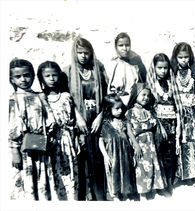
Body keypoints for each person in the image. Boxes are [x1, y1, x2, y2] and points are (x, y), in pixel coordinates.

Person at [63, 37, 107, 200]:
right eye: (79, 53)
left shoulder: (98, 68)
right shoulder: (68, 71)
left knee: (98, 158)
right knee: (81, 159)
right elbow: (67, 98)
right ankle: (84, 196)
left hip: (96, 118)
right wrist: (78, 117)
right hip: (79, 120)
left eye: (86, 53)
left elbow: (106, 95)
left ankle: (100, 195)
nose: (83, 56)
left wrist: (100, 116)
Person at [8, 59, 56, 200]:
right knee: (28, 182)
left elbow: (50, 119)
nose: (23, 79)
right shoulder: (14, 99)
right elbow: (13, 126)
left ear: (33, 76)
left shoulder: (39, 96)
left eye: (27, 75)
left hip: (41, 145)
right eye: (18, 76)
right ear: (12, 79)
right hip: (24, 149)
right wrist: (14, 150)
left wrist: (49, 137)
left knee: (43, 181)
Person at [37, 61, 79, 200]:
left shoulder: (66, 96)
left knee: (70, 173)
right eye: (47, 76)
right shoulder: (41, 98)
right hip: (51, 142)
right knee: (54, 173)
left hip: (67, 140)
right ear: (41, 78)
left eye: (54, 75)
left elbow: (72, 120)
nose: (51, 79)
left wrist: (76, 139)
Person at [170, 42, 195, 185]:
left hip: (193, 113)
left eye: (186, 57)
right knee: (181, 142)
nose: (184, 60)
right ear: (176, 57)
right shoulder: (173, 73)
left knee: (194, 142)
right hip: (179, 113)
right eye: (180, 57)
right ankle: (184, 176)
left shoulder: (194, 73)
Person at [146, 53, 181, 195]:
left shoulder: (172, 82)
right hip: (158, 124)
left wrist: (178, 124)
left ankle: (169, 183)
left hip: (172, 123)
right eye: (159, 68)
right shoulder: (151, 84)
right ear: (154, 68)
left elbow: (177, 104)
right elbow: (150, 107)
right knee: (159, 154)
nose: (163, 71)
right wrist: (159, 126)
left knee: (171, 154)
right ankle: (160, 185)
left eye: (165, 68)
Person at [125, 83, 166, 200]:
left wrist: (161, 129)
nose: (146, 98)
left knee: (153, 165)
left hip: (151, 143)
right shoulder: (130, 112)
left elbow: (155, 123)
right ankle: (143, 193)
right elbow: (129, 131)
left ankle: (154, 189)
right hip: (140, 143)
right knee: (141, 168)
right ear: (135, 95)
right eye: (143, 95)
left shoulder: (148, 111)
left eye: (148, 96)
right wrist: (136, 145)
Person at [98, 93, 137, 201]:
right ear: (108, 109)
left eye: (121, 108)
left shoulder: (124, 121)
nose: (120, 111)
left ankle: (125, 193)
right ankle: (115, 195)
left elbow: (129, 137)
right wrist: (105, 156)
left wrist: (133, 152)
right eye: (117, 108)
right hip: (112, 154)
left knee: (125, 172)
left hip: (125, 153)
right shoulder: (105, 123)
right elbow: (100, 140)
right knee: (113, 174)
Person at [106, 32, 146, 106]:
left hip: (132, 103)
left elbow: (141, 83)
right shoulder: (111, 64)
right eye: (121, 45)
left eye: (127, 45)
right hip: (115, 104)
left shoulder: (136, 62)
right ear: (116, 47)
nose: (124, 48)